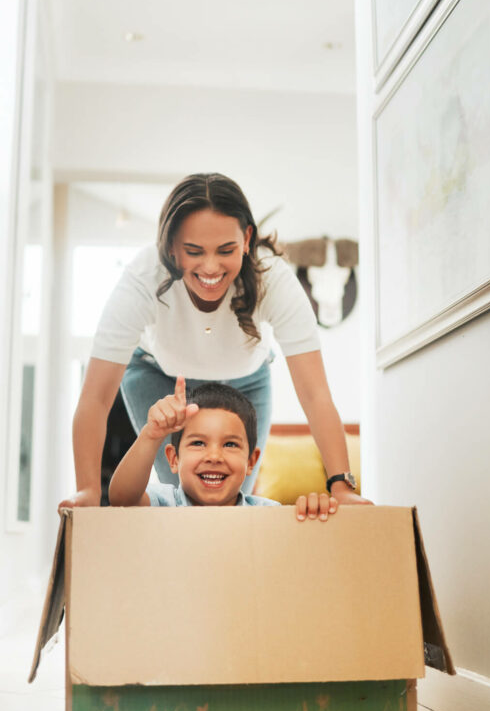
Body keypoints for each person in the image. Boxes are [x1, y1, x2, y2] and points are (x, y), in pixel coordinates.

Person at [59, 172, 371, 510]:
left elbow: (315, 394)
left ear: (247, 238)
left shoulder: (273, 278)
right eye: (194, 251)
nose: (210, 267)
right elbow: (95, 399)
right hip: (157, 374)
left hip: (247, 379)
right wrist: (88, 490)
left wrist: (341, 487)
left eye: (226, 250)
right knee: (184, 491)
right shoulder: (143, 278)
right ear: (171, 246)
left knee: (230, 498)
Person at [109, 378, 338, 521]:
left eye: (230, 444)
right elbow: (122, 497)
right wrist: (151, 435)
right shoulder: (164, 503)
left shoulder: (267, 515)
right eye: (198, 443)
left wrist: (314, 515)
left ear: (251, 461)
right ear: (173, 458)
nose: (214, 456)